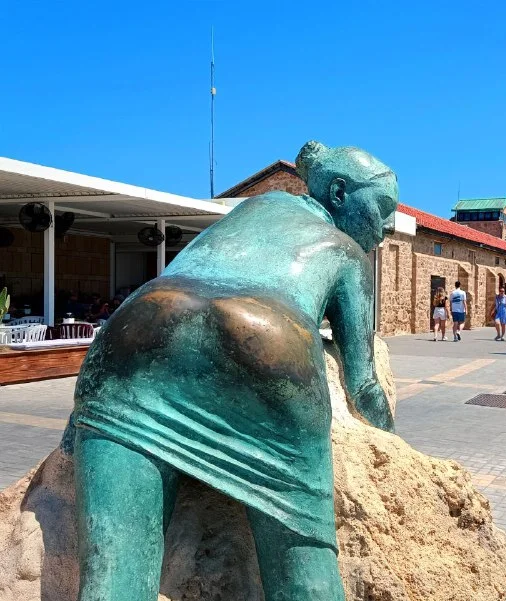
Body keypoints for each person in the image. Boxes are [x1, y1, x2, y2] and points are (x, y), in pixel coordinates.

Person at [68, 141, 397, 601]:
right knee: (304, 579)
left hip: (140, 328)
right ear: (339, 193)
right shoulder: (345, 252)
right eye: (382, 208)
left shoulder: (246, 212)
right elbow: (362, 385)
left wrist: (80, 420)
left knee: (112, 575)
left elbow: (175, 275)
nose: (387, 226)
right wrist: (394, 448)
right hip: (266, 343)